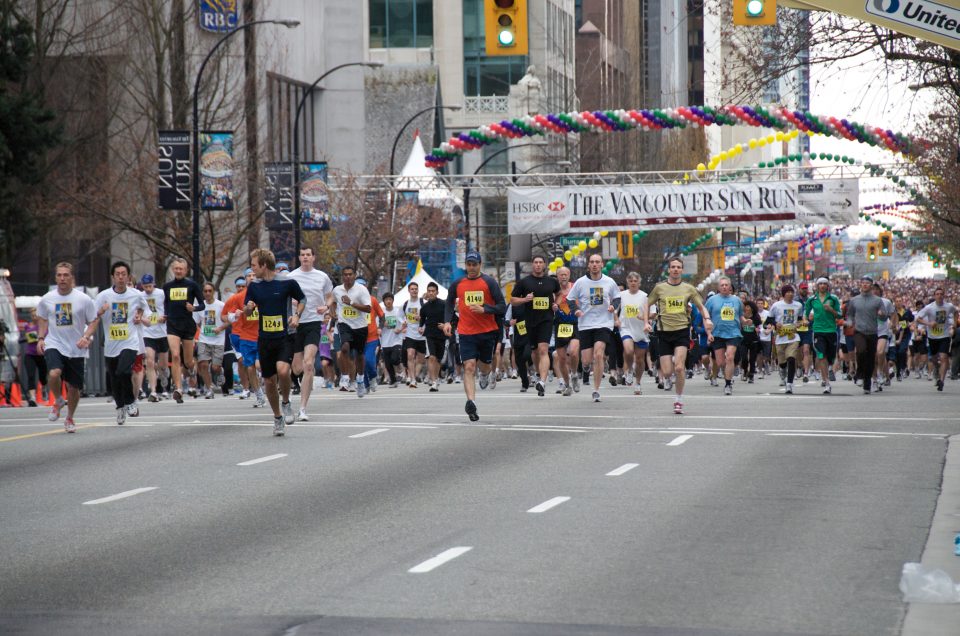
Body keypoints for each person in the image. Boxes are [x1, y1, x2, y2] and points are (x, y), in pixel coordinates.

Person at [244, 248, 305, 436]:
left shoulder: (287, 282)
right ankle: (277, 417)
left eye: (254, 265)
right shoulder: (254, 286)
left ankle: (286, 401)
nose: (252, 269)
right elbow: (247, 312)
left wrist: (296, 315)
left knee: (283, 370)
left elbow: (302, 299)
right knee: (269, 381)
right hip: (264, 338)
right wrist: (249, 308)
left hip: (284, 335)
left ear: (264, 265)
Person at [443, 250, 506, 421]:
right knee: (469, 366)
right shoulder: (458, 283)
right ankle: (471, 402)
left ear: (480, 265)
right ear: (466, 265)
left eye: (474, 264)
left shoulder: (489, 282)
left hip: (487, 332)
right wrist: (448, 321)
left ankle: (485, 375)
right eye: (468, 264)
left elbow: (502, 306)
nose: (471, 267)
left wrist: (485, 309)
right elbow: (449, 302)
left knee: (484, 365)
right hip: (465, 332)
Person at [35, 262, 98, 433]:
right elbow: (41, 317)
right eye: (59, 275)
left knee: (74, 387)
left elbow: (93, 320)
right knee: (54, 372)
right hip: (54, 343)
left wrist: (86, 337)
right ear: (56, 277)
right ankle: (58, 400)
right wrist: (41, 338)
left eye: (66, 275)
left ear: (72, 278)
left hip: (76, 347)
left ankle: (69, 417)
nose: (62, 278)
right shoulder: (47, 298)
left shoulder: (83, 299)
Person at [647, 257, 711, 414]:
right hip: (663, 332)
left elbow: (701, 307)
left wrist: (707, 319)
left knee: (679, 367)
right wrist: (646, 321)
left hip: (682, 331)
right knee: (668, 372)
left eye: (678, 267)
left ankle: (679, 400)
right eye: (673, 267)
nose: (675, 269)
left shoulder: (688, 289)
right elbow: (646, 303)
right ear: (669, 270)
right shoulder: (659, 288)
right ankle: (669, 375)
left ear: (682, 270)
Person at [91, 261, 150, 424]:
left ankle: (131, 402)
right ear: (112, 277)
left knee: (124, 371)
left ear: (128, 276)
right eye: (117, 274)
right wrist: (100, 311)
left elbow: (145, 310)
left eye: (124, 274)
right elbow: (92, 316)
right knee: (114, 377)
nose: (121, 277)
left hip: (130, 342)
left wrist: (140, 316)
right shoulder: (103, 296)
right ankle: (120, 407)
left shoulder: (136, 295)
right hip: (111, 344)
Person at [566, 253, 621, 403]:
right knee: (586, 360)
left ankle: (596, 390)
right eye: (592, 262)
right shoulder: (580, 282)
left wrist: (613, 306)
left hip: (604, 323)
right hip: (585, 324)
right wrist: (575, 310)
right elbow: (570, 299)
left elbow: (617, 297)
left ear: (602, 264)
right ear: (588, 265)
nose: (595, 264)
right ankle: (584, 367)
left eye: (597, 262)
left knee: (598, 354)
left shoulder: (609, 281)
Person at [287, 246, 334, 420]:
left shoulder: (322, 276)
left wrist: (327, 306)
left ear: (313, 257)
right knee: (297, 367)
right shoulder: (291, 277)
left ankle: (302, 408)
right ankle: (294, 381)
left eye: (308, 255)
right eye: (302, 255)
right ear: (299, 258)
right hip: (296, 324)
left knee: (308, 364)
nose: (305, 257)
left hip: (314, 322)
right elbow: (283, 297)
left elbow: (329, 296)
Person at [511, 255, 561, 397]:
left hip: (546, 320)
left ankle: (542, 382)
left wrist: (556, 303)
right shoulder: (524, 282)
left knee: (543, 349)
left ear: (545, 265)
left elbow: (559, 293)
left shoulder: (551, 281)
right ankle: (539, 374)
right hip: (530, 321)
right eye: (535, 262)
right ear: (532, 265)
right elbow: (513, 300)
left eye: (540, 262)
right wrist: (524, 299)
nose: (538, 265)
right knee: (534, 352)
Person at [162, 257, 204, 403]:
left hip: (187, 325)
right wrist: (165, 315)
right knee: (174, 356)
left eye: (181, 269)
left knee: (188, 361)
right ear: (173, 270)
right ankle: (178, 389)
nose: (179, 271)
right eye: (176, 268)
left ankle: (192, 371)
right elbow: (166, 303)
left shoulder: (192, 285)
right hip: (172, 324)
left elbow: (202, 305)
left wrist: (194, 308)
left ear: (186, 270)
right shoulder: (167, 286)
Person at [222, 270, 264, 405]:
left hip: (264, 335)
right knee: (250, 366)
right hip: (246, 336)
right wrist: (234, 316)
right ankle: (258, 394)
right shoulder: (237, 298)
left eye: (254, 275)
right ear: (245, 279)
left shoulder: (265, 292)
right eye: (249, 276)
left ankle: (266, 385)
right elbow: (224, 315)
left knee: (259, 366)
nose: (252, 278)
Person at [844, 276, 887, 395]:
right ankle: (859, 374)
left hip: (873, 332)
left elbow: (884, 316)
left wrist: (881, 314)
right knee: (861, 351)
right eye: (863, 283)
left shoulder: (878, 300)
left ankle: (867, 383)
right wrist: (849, 322)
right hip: (859, 331)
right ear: (860, 285)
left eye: (867, 283)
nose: (865, 285)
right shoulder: (854, 300)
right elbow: (850, 314)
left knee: (870, 359)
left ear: (871, 286)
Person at [333, 266, 372, 398]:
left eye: (350, 274)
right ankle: (344, 377)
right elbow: (332, 302)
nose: (348, 277)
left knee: (359, 355)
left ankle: (360, 380)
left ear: (354, 275)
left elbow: (368, 309)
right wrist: (333, 313)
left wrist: (351, 303)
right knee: (344, 348)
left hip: (360, 326)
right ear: (342, 276)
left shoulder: (362, 290)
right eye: (345, 274)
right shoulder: (337, 290)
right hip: (344, 324)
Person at [705, 276, 743, 396]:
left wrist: (746, 321)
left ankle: (728, 384)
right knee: (721, 362)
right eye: (722, 285)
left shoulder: (737, 300)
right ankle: (728, 372)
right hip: (718, 334)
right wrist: (709, 333)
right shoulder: (712, 300)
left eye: (727, 285)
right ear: (718, 287)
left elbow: (740, 316)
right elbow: (706, 317)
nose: (725, 287)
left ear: (730, 287)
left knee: (730, 357)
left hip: (733, 333)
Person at [915, 287, 957, 392]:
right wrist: (929, 323)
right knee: (933, 359)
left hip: (945, 336)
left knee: (944, 357)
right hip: (932, 337)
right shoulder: (929, 308)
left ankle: (941, 381)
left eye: (941, 294)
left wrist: (954, 326)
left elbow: (956, 313)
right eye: (937, 294)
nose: (939, 296)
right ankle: (937, 369)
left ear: (944, 295)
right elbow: (918, 319)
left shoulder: (949, 306)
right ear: (934, 296)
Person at [804, 277, 841, 394]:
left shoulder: (833, 299)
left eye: (825, 284)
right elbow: (805, 313)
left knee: (830, 357)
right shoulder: (812, 299)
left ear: (828, 286)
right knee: (821, 355)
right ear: (817, 286)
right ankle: (826, 382)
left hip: (831, 331)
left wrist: (831, 310)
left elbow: (840, 315)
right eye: (820, 284)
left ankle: (829, 369)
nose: (823, 286)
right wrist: (805, 320)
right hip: (818, 330)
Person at [616, 271, 650, 395]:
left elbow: (653, 313)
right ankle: (629, 369)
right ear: (628, 283)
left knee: (640, 360)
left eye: (635, 281)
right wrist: (616, 320)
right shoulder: (621, 295)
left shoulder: (645, 296)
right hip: (626, 328)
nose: (633, 283)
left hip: (641, 330)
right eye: (631, 281)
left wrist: (645, 318)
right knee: (629, 351)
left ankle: (638, 383)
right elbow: (614, 309)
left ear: (639, 283)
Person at [769, 284, 806, 394]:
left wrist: (801, 323)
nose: (790, 294)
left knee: (791, 358)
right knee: (782, 362)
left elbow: (799, 319)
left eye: (791, 292)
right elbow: (768, 321)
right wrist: (776, 324)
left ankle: (789, 384)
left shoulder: (798, 305)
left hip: (793, 337)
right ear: (783, 294)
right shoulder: (776, 306)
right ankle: (782, 369)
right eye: (787, 292)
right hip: (780, 337)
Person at [194, 282, 227, 399]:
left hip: (218, 340)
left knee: (215, 368)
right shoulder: (200, 306)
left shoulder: (221, 305)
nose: (207, 293)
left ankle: (220, 371)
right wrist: (199, 334)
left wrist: (220, 328)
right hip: (204, 339)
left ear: (214, 292)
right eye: (205, 291)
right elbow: (197, 322)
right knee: (203, 364)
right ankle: (209, 389)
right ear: (202, 293)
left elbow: (228, 321)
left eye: (210, 291)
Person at [140, 274, 169, 401]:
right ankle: (153, 391)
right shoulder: (140, 296)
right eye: (145, 287)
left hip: (162, 332)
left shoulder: (162, 293)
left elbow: (169, 307)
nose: (148, 289)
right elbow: (137, 311)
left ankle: (162, 376)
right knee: (150, 361)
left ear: (154, 284)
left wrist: (165, 317)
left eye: (150, 286)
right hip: (148, 333)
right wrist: (142, 319)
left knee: (162, 364)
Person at [552, 266, 580, 396]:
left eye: (565, 274)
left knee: (573, 352)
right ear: (557, 276)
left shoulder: (576, 287)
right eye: (561, 275)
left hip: (575, 324)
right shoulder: (554, 291)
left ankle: (574, 374)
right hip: (560, 326)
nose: (563, 277)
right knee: (561, 358)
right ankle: (568, 385)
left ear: (569, 275)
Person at [419, 282, 446, 392]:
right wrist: (421, 327)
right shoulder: (424, 307)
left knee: (438, 359)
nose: (431, 293)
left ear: (437, 292)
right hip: (429, 334)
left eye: (433, 291)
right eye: (429, 291)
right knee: (432, 357)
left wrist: (445, 325)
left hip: (441, 335)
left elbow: (452, 318)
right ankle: (434, 381)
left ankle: (436, 378)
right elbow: (422, 319)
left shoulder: (443, 304)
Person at [401, 282, 426, 388]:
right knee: (410, 355)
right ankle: (412, 379)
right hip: (410, 334)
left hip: (422, 334)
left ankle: (414, 376)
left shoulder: (423, 302)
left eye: (416, 289)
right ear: (409, 291)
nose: (414, 291)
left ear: (418, 290)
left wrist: (422, 320)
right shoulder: (406, 304)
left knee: (421, 360)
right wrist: (404, 322)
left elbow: (429, 316)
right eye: (412, 289)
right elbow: (399, 316)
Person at [380, 292, 405, 387]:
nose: (388, 301)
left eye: (390, 299)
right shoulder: (381, 313)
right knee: (388, 363)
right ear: (384, 302)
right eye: (386, 300)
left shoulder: (398, 311)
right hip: (385, 342)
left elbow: (404, 323)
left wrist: (400, 329)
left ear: (393, 301)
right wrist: (383, 325)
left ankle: (400, 369)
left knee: (394, 359)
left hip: (396, 340)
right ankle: (393, 381)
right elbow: (378, 326)